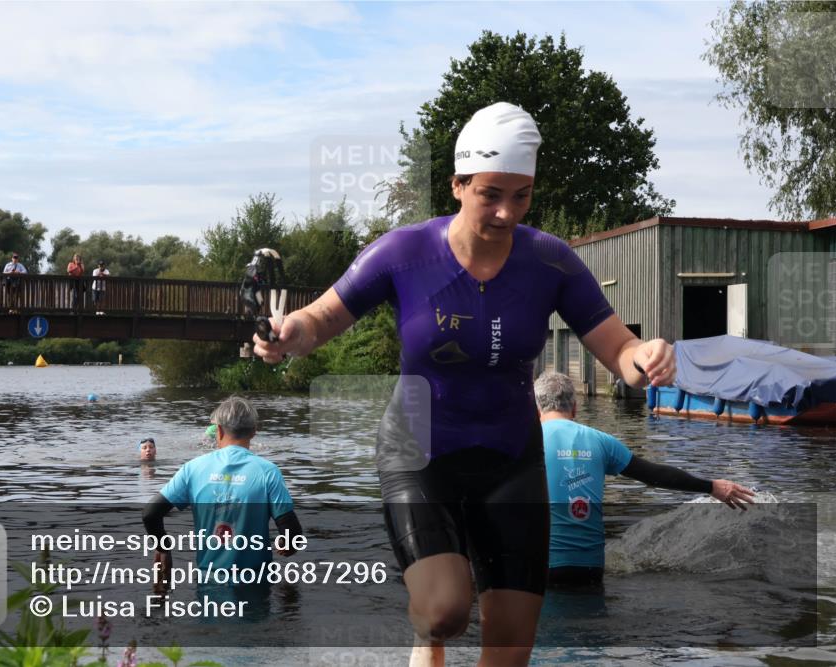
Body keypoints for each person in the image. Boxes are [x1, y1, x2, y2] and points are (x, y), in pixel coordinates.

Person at [253, 102, 676, 666]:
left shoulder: (551, 262)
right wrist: (288, 333)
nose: (506, 212)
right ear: (457, 185)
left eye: (520, 196)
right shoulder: (403, 253)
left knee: (510, 649)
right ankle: (424, 640)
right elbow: (322, 318)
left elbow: (619, 349)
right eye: (490, 194)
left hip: (510, 458)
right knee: (444, 612)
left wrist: (645, 357)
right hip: (420, 449)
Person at [534, 372, 755, 589]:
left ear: (535, 409)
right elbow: (655, 475)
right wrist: (711, 486)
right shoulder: (601, 441)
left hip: (539, 569)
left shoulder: (524, 442)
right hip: (590, 568)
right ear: (574, 407)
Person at [142, 396, 303, 596]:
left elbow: (150, 514)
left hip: (209, 580)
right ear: (254, 431)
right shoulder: (268, 472)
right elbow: (292, 533)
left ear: (218, 431)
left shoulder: (193, 468)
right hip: (255, 582)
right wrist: (287, 544)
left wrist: (163, 547)